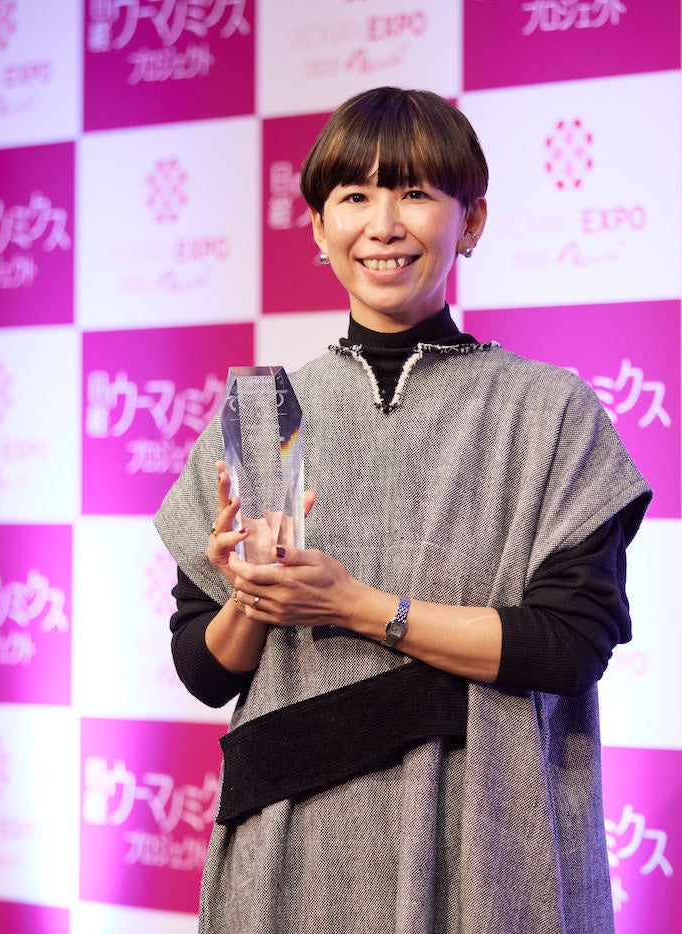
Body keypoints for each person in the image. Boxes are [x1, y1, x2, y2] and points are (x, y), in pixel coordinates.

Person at [154, 86, 652, 934]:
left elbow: (571, 645)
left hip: (485, 845)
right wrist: (251, 595)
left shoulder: (547, 410)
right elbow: (205, 671)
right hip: (291, 854)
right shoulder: (264, 413)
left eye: (415, 193)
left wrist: (353, 605)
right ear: (319, 227)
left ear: (472, 220)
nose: (382, 225)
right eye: (354, 197)